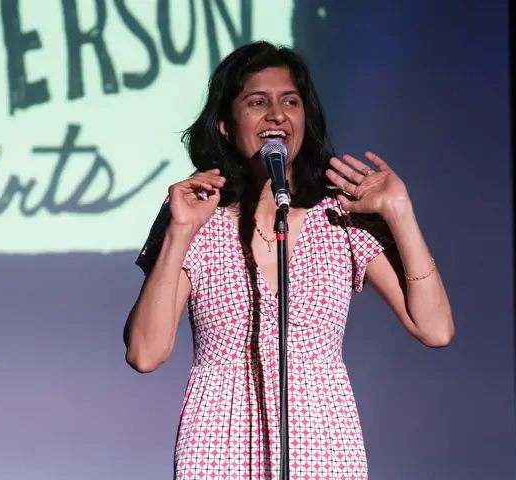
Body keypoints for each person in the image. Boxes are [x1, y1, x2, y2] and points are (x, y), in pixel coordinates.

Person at [124, 41, 454, 479]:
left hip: (325, 450)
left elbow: (434, 328)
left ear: (305, 119)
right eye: (257, 102)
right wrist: (180, 230)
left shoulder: (341, 216)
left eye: (290, 102)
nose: (276, 115)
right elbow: (145, 354)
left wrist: (400, 211)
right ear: (224, 125)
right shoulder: (197, 216)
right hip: (217, 451)